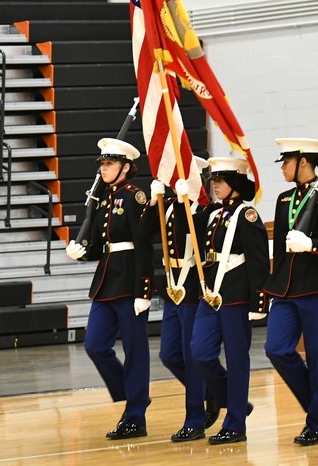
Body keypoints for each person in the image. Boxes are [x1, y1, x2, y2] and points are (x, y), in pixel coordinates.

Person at [65, 139, 152, 440]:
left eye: (110, 164)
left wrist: (144, 290)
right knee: (95, 345)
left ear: (125, 167)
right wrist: (83, 252)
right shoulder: (104, 197)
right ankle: (133, 395)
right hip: (106, 280)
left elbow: (142, 246)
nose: (104, 169)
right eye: (102, 164)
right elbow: (102, 242)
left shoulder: (134, 197)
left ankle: (135, 416)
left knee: (135, 350)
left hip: (128, 281)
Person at [264, 137, 318, 447]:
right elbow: (281, 253)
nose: (283, 167)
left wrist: (312, 245)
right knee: (276, 348)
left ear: (303, 162)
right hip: (287, 288)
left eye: (287, 161)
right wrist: (272, 290)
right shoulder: (284, 199)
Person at [190, 158, 269, 445]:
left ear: (235, 184)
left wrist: (259, 303)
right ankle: (233, 401)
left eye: (220, 181)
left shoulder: (247, 216)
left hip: (235, 296)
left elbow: (260, 262)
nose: (215, 186)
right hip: (210, 295)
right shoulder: (213, 214)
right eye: (213, 181)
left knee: (237, 361)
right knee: (200, 351)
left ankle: (235, 424)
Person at [143, 176, 215, 443]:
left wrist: (188, 202)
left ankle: (194, 420)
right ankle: (215, 392)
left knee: (191, 356)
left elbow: (192, 234)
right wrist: (153, 203)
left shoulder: (206, 211)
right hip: (174, 287)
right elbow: (144, 232)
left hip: (193, 288)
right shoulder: (170, 205)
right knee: (169, 354)